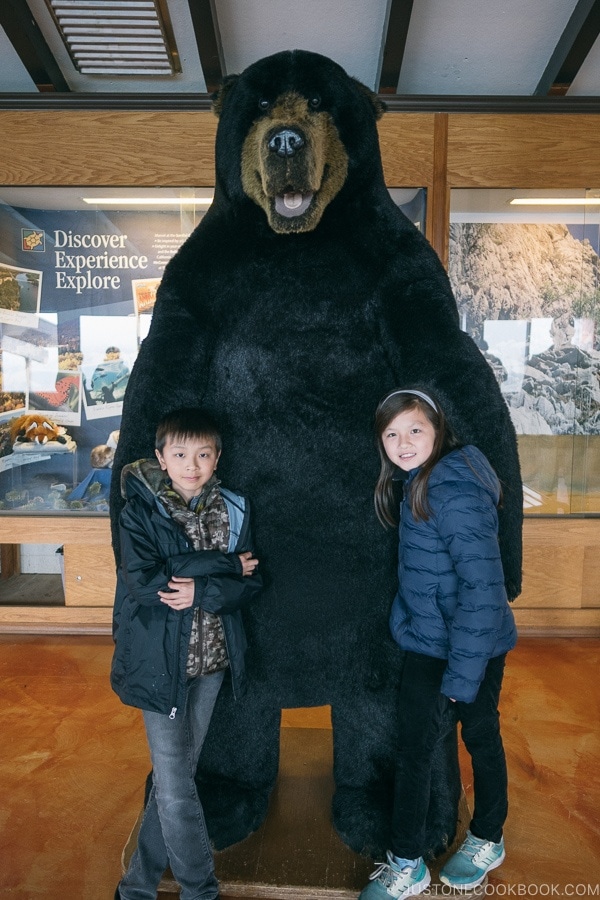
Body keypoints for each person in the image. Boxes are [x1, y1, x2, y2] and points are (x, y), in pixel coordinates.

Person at [359, 388, 517, 900]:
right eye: (391, 433)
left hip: (472, 649)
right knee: (414, 750)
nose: (402, 443)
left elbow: (483, 589)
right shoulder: (419, 482)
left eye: (414, 430)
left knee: (480, 739)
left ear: (438, 430)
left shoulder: (453, 489)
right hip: (430, 642)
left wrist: (461, 677)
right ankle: (408, 863)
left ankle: (488, 837)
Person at [111, 408, 262, 900]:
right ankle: (202, 891)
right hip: (161, 668)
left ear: (217, 457)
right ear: (160, 457)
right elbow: (145, 580)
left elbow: (254, 580)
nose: (191, 465)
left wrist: (204, 591)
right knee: (176, 789)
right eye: (179, 454)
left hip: (212, 663)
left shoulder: (233, 507)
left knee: (176, 782)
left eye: (202, 454)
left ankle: (136, 888)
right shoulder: (140, 509)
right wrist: (222, 566)